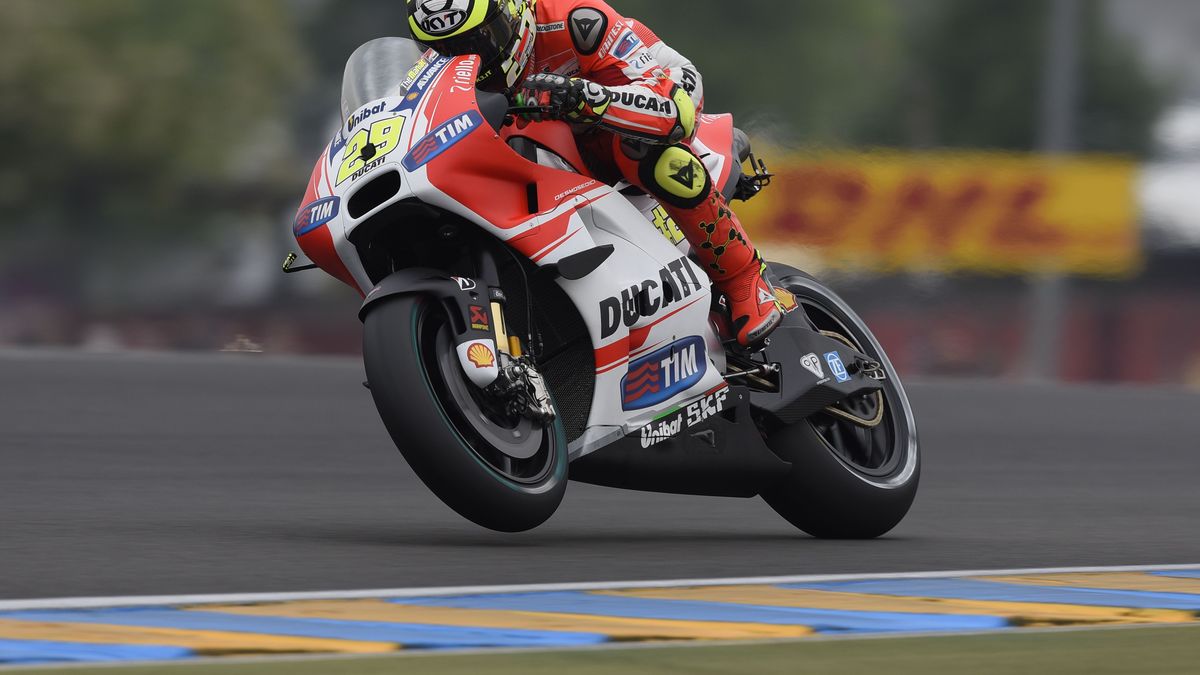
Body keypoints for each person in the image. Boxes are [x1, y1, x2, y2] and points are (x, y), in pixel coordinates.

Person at [407, 0, 782, 347]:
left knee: (651, 153)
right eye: (450, 50)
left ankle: (746, 280)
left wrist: (582, 97)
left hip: (654, 97)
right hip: (551, 140)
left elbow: (674, 110)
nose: (474, 60)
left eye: (483, 39)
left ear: (514, 10)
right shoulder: (427, 73)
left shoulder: (577, 18)